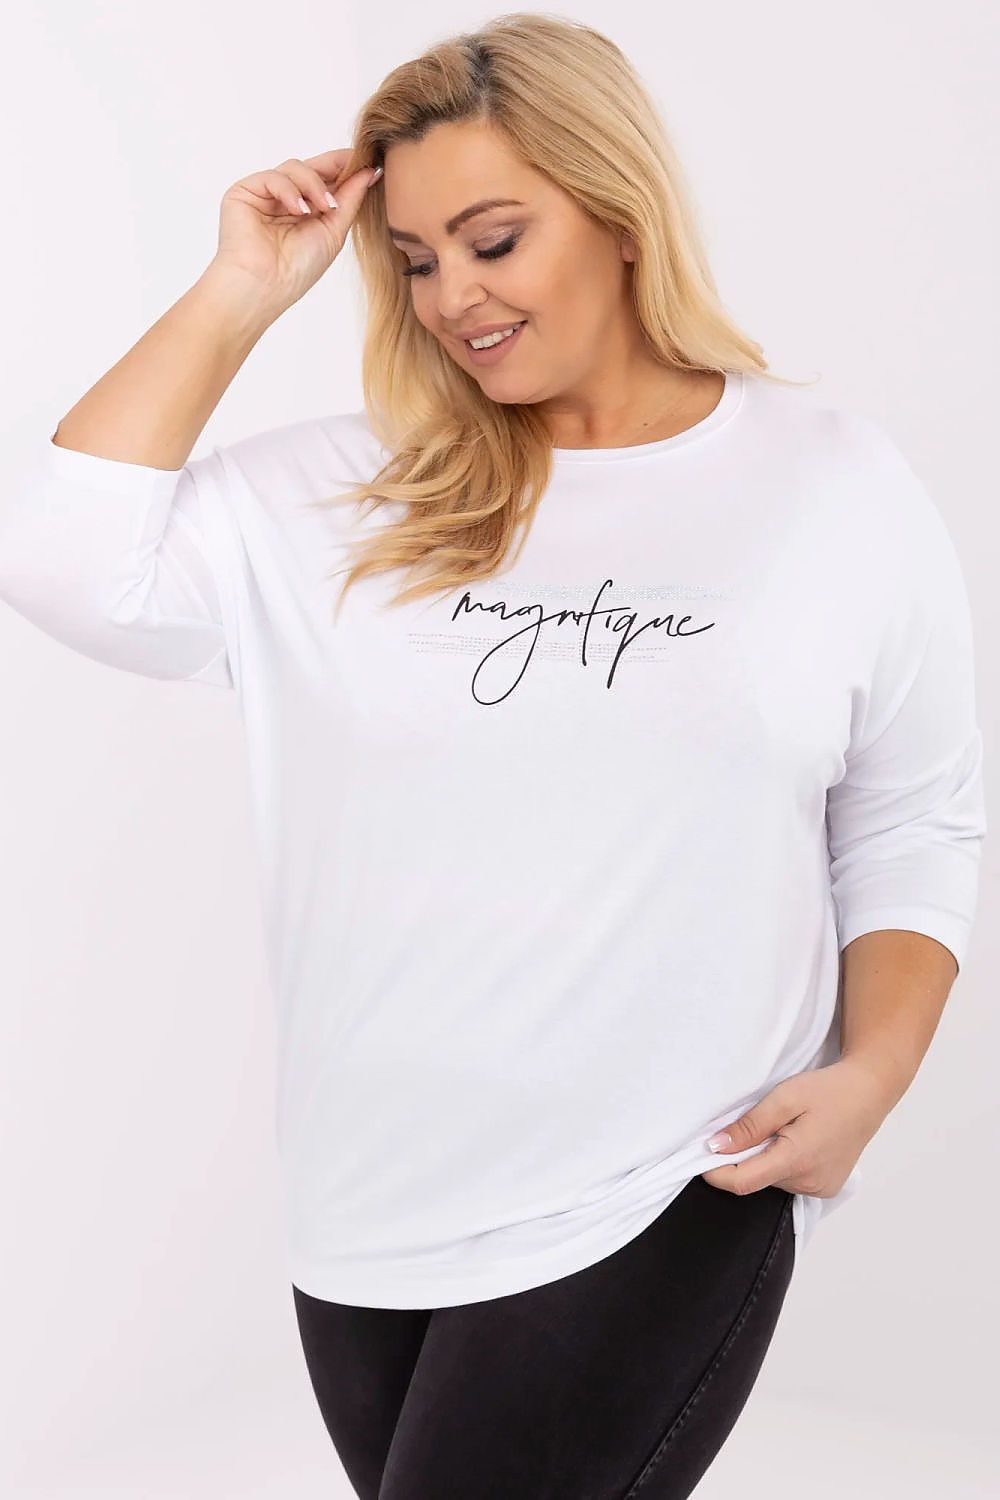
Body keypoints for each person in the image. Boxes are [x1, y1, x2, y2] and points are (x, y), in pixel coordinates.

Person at [0, 13, 986, 1499]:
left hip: (665, 1181)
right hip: (371, 1210)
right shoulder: (343, 496)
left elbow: (912, 813)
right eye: (414, 258)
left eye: (495, 240)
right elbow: (61, 558)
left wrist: (878, 1071)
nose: (453, 294)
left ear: (619, 210)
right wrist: (239, 288)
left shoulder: (830, 485)